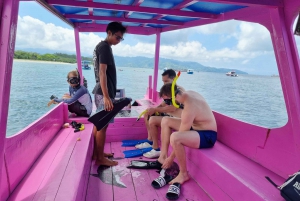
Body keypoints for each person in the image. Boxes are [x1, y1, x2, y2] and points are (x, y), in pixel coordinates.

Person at [157, 83, 217, 185]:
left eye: (167, 101)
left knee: (175, 137)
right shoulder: (188, 94)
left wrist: (171, 158)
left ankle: (183, 174)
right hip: (196, 127)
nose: (166, 104)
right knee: (166, 120)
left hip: (207, 136)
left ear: (175, 96)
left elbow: (180, 134)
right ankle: (163, 156)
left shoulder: (189, 105)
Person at [92, 22, 127, 166]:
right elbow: (102, 72)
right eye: (117, 37)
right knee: (103, 126)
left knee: (99, 125)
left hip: (101, 92)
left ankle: (97, 153)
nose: (118, 41)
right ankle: (100, 158)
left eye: (121, 39)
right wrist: (107, 97)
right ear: (109, 33)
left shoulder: (102, 47)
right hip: (103, 94)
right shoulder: (105, 47)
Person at [136, 69, 183, 159]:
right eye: (163, 81)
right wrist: (153, 109)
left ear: (174, 79)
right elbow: (163, 104)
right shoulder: (169, 89)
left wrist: (156, 109)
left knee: (153, 120)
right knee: (147, 114)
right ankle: (150, 140)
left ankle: (156, 148)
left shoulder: (178, 91)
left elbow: (173, 108)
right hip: (169, 115)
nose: (164, 84)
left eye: (166, 81)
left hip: (177, 118)